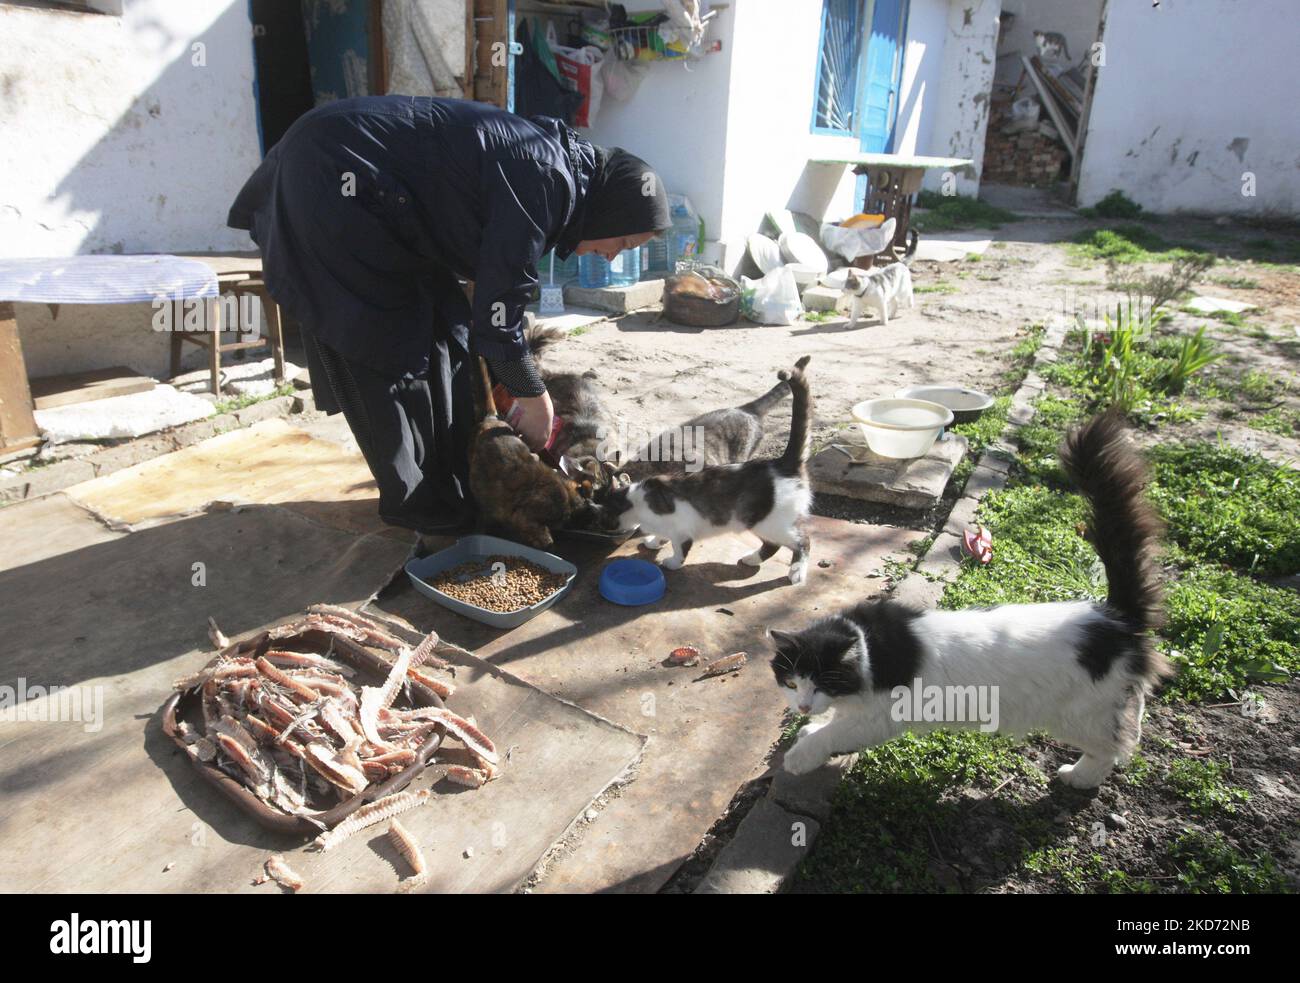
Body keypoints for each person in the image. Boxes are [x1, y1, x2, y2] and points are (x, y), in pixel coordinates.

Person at [228, 95, 670, 533]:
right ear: (611, 210)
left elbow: (492, 303)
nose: (614, 258)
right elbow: (501, 312)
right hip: (331, 186)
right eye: (625, 244)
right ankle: (421, 507)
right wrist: (535, 400)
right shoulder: (545, 178)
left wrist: (512, 382)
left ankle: (453, 483)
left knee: (449, 330)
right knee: (386, 346)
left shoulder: (557, 175)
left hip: (373, 197)